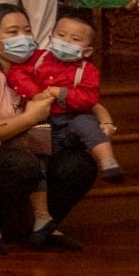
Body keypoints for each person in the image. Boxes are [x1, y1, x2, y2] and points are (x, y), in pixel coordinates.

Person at [0, 3, 101, 250]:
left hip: (32, 144)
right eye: (12, 32)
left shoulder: (41, 65)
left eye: (27, 30)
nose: (23, 38)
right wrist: (29, 118)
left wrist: (102, 119)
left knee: (79, 164)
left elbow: (81, 95)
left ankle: (44, 226)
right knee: (22, 163)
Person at [9, 13, 121, 180]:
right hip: (41, 121)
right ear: (50, 37)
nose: (66, 41)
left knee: (87, 123)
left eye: (75, 39)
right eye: (61, 35)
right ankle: (40, 193)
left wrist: (63, 93)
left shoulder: (88, 71)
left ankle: (108, 162)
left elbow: (89, 98)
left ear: (87, 51)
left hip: (71, 122)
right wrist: (34, 93)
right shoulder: (37, 58)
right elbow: (16, 73)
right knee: (37, 155)